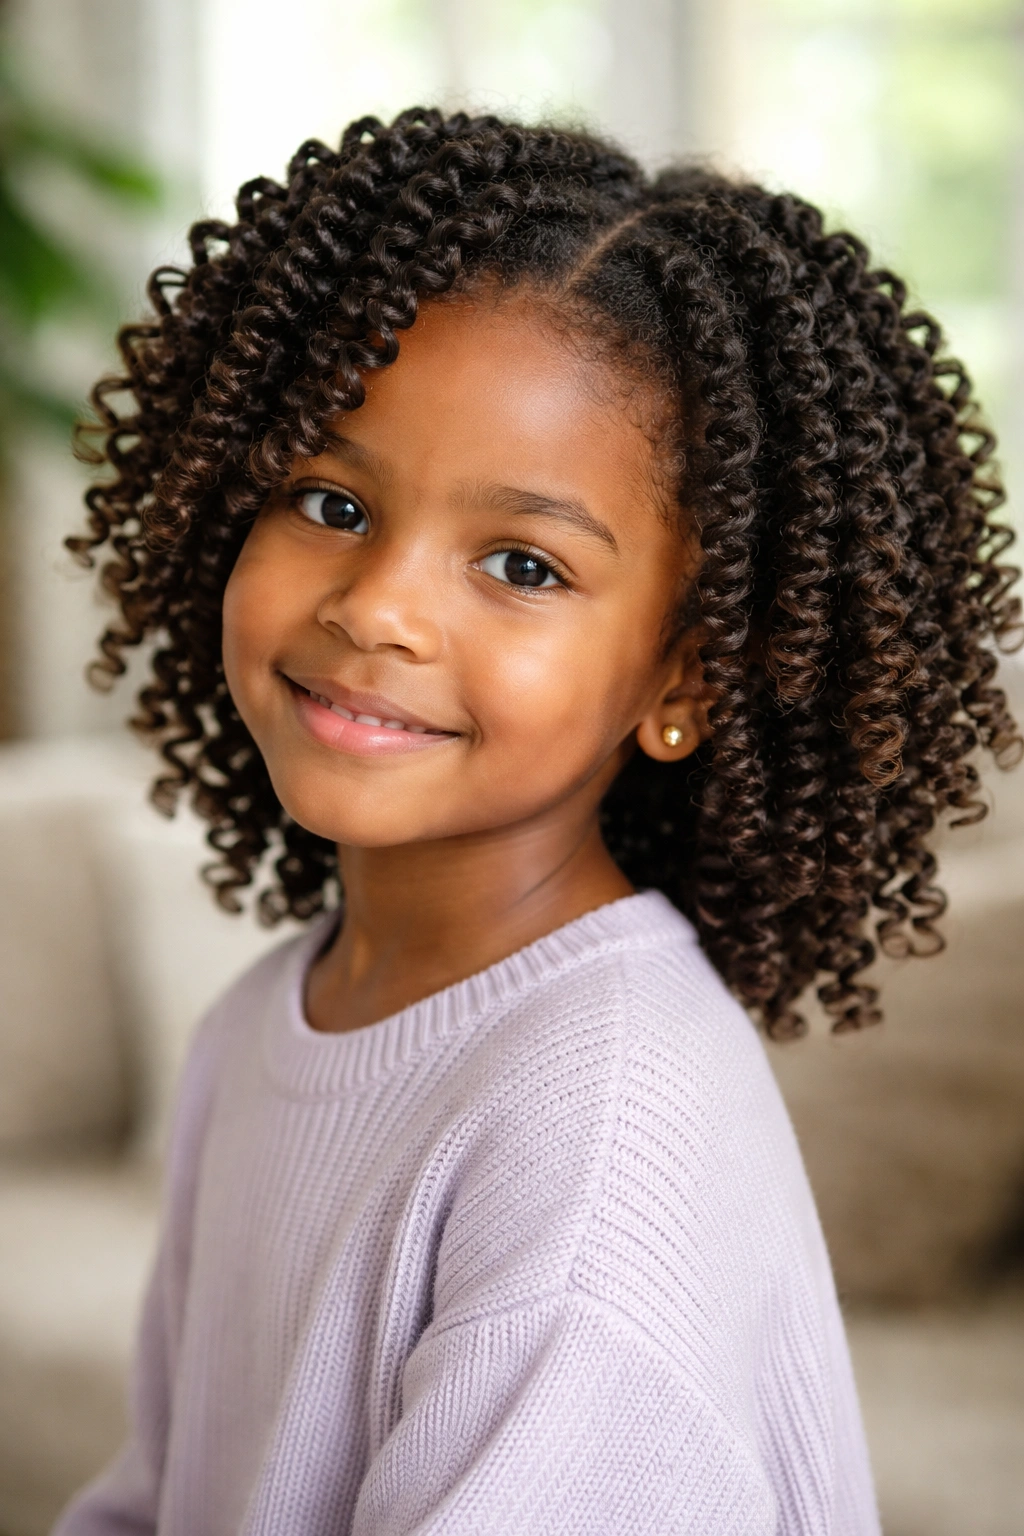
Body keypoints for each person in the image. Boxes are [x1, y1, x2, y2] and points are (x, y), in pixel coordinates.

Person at [55, 109, 1020, 1536]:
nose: (378, 606)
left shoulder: (596, 1143)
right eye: (328, 499)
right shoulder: (271, 1021)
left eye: (522, 563)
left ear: (685, 676)